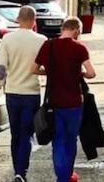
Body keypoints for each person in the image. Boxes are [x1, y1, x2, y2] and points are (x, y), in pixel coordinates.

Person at [32, 17, 96, 182]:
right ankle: (66, 176)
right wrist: (79, 73)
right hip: (74, 102)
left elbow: (33, 69)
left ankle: (62, 176)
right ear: (76, 30)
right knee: (71, 140)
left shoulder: (48, 46)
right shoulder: (79, 48)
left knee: (58, 140)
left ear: (63, 28)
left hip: (54, 102)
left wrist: (50, 72)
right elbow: (91, 73)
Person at [0, 5, 46, 182]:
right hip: (31, 93)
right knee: (26, 134)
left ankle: (18, 170)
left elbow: (1, 68)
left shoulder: (8, 39)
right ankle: (21, 172)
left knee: (15, 134)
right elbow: (45, 67)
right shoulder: (42, 40)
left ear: (18, 19)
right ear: (34, 20)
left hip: (12, 93)